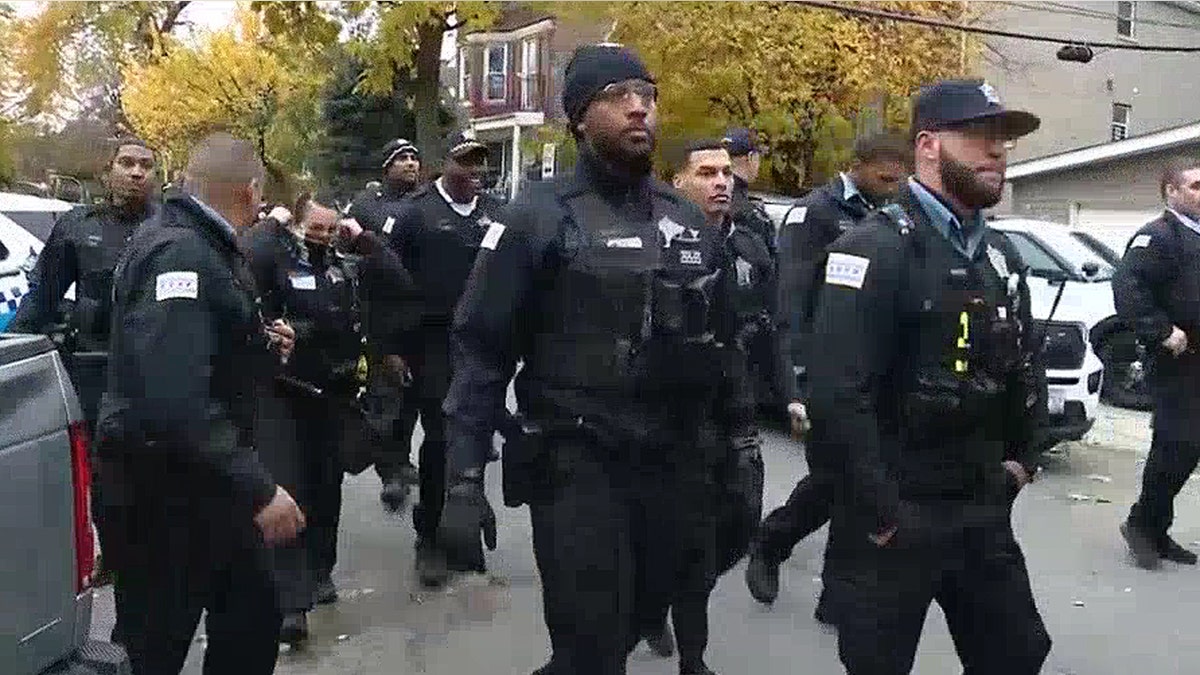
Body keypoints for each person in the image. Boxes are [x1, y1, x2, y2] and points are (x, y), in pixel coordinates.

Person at [441, 45, 761, 675]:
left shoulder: (686, 223)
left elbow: (726, 345)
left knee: (634, 624)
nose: (639, 106)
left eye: (647, 94)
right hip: (577, 466)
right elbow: (481, 350)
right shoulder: (536, 217)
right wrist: (463, 476)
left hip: (675, 465)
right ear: (580, 117)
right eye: (618, 96)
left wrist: (741, 446)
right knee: (590, 646)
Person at [805, 80, 1051, 674]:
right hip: (899, 514)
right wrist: (883, 513)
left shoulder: (997, 256)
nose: (997, 152)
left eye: (1004, 140)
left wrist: (1022, 460)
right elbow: (838, 396)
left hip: (979, 505)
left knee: (1017, 652)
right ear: (928, 146)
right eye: (980, 137)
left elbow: (1020, 365)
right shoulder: (872, 249)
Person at [94, 132, 306, 675]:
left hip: (206, 484)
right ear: (251, 191)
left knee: (252, 621)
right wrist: (259, 489)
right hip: (161, 495)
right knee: (156, 646)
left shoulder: (204, 246)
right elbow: (173, 397)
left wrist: (259, 345)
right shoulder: (179, 253)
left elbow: (201, 353)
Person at [746, 132, 909, 617]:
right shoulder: (815, 214)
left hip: (873, 373)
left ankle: (835, 596)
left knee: (854, 483)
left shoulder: (892, 216)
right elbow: (790, 302)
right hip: (827, 372)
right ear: (857, 166)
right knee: (837, 481)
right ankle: (773, 543)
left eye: (899, 181)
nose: (891, 188)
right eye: (883, 178)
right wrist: (794, 384)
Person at [631, 138, 770, 673]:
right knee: (669, 546)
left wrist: (779, 399)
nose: (722, 182)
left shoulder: (749, 247)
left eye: (727, 172)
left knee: (720, 539)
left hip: (723, 415)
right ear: (677, 181)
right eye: (707, 173)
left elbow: (759, 330)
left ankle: (689, 647)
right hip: (656, 422)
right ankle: (665, 627)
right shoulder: (648, 238)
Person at [385, 130, 504, 587]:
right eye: (465, 161)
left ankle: (463, 527)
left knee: (473, 437)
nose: (475, 170)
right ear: (445, 164)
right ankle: (430, 539)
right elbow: (387, 284)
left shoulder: (494, 215)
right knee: (441, 437)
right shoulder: (415, 213)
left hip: (481, 346)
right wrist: (390, 348)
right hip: (430, 343)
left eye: (480, 162)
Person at [10, 138, 158, 427]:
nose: (137, 172)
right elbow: (43, 297)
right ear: (107, 172)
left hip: (155, 372)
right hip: (93, 369)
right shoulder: (78, 225)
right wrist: (15, 349)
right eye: (127, 163)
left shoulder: (172, 227)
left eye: (146, 165)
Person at [1115, 158, 1200, 570]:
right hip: (1177, 358)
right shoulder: (1157, 237)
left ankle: (1155, 528)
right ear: (1172, 192)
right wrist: (1162, 331)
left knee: (1186, 449)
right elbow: (1128, 288)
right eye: (1197, 186)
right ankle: (1142, 524)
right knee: (1176, 444)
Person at [348, 137, 423, 509]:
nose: (410, 164)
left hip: (419, 317)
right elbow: (347, 253)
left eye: (414, 158)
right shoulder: (366, 206)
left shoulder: (426, 204)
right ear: (386, 166)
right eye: (402, 158)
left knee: (411, 401)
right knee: (385, 399)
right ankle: (388, 471)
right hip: (381, 316)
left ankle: (402, 459)